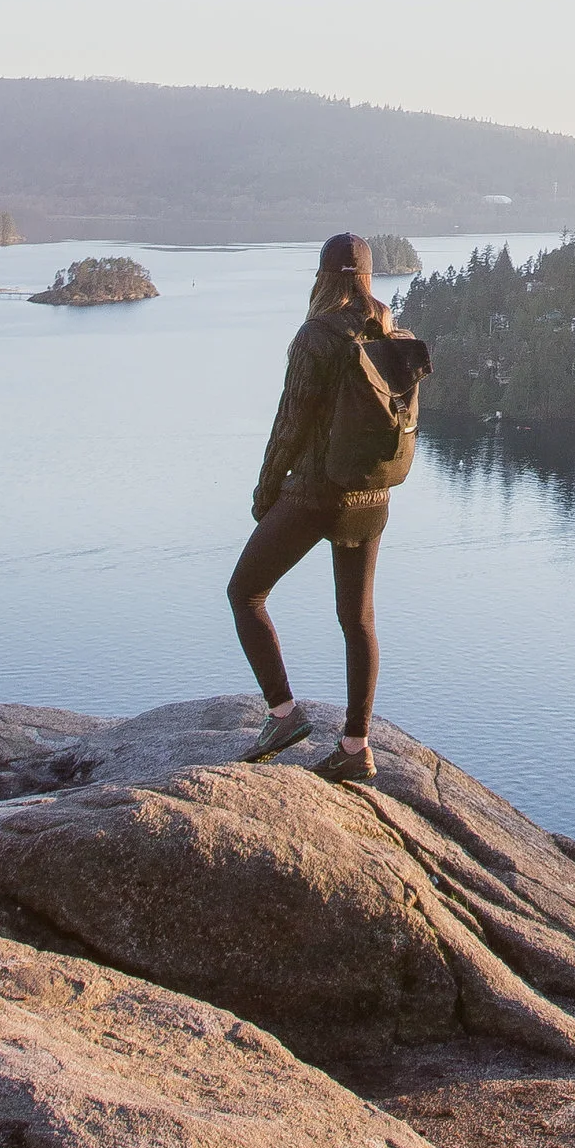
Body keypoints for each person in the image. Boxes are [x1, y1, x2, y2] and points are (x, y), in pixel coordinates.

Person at [228, 231, 418, 780]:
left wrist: (267, 489)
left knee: (246, 593)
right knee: (358, 620)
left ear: (323, 276)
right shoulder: (391, 331)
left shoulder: (316, 335)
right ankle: (356, 748)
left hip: (316, 493)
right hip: (373, 495)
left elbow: (290, 422)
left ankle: (283, 715)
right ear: (366, 277)